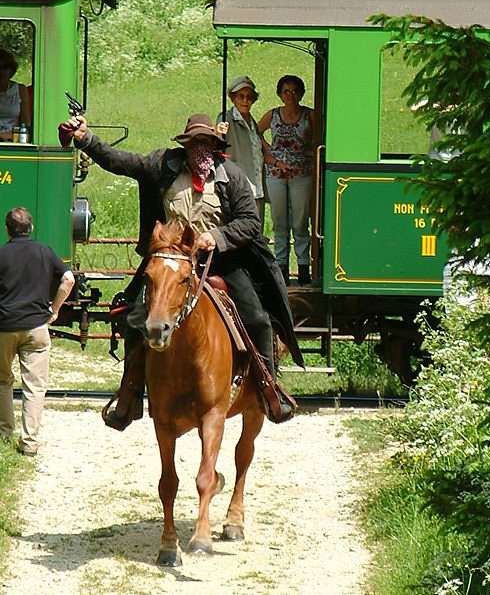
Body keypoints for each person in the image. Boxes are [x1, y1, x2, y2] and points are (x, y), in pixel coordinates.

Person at [64, 112, 302, 431]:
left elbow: (249, 221)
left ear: (215, 146)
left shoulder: (232, 175)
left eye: (206, 143)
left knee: (257, 318)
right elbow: (121, 161)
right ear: (186, 145)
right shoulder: (162, 165)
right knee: (133, 313)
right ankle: (129, 393)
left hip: (221, 259)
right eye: (194, 143)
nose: (200, 149)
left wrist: (215, 236)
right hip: (170, 258)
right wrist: (86, 139)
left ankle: (268, 388)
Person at [0, 207, 75, 456]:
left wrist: (2, 291)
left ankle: (2, 433)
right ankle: (29, 441)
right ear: (31, 228)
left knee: (1, 379)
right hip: (36, 327)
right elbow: (69, 280)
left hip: (4, 327)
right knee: (34, 385)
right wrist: (54, 308)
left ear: (7, 230)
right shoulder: (45, 252)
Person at [257, 74, 319, 286]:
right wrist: (270, 153)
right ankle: (281, 267)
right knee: (279, 221)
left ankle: (303, 267)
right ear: (280, 94)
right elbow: (256, 132)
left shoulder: (309, 114)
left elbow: (322, 135)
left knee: (301, 222)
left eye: (294, 91)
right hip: (275, 173)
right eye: (286, 91)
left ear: (301, 93)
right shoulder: (273, 115)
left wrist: (310, 152)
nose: (290, 95)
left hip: (302, 173)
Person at [216, 76, 286, 224]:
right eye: (241, 96)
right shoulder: (226, 118)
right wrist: (218, 133)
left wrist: (278, 163)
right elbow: (217, 146)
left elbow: (257, 153)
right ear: (233, 98)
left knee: (256, 230)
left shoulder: (252, 121)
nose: (245, 101)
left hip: (257, 187)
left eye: (249, 97)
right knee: (242, 228)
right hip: (239, 186)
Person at [0, 48, 33, 141]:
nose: (1, 72)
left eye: (5, 67)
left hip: (13, 137)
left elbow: (26, 123)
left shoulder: (20, 89)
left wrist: (3, 135)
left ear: (11, 69)